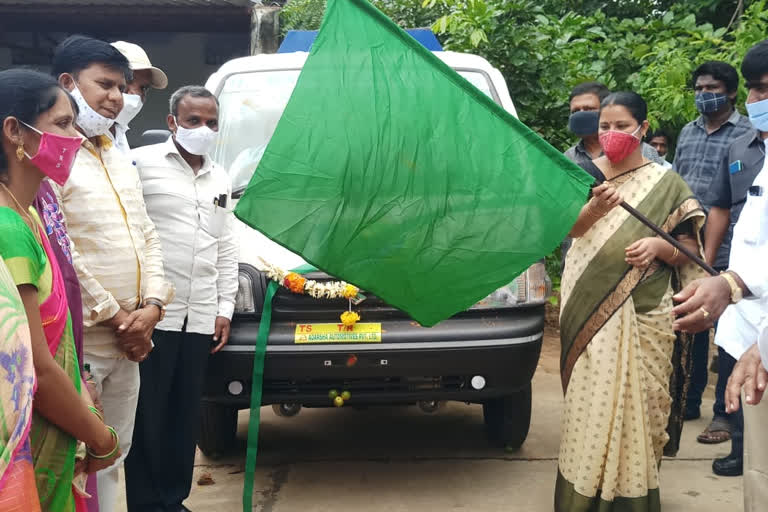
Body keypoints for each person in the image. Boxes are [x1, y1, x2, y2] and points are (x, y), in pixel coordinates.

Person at [555, 91, 706, 512]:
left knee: (640, 407)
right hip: (587, 306)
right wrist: (595, 209)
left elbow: (689, 251)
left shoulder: (666, 182)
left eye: (622, 126)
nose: (612, 134)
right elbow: (569, 231)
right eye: (605, 126)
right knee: (590, 410)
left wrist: (660, 246)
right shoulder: (580, 174)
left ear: (642, 127)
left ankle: (632, 498)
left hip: (646, 313)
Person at [50, 36, 174, 512]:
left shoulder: (117, 156)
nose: (116, 97)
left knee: (114, 453)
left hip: (134, 339)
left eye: (121, 87)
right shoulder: (53, 158)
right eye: (104, 85)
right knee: (76, 458)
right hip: (83, 340)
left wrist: (153, 308)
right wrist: (120, 318)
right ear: (68, 83)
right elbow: (62, 251)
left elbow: (148, 234)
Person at [0, 68, 121, 511]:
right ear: (15, 131)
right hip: (33, 440)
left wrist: (83, 386)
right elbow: (38, 369)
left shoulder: (29, 215)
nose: (76, 138)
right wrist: (102, 439)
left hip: (58, 427)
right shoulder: (8, 231)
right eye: (63, 124)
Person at [124, 86, 238, 512]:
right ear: (173, 122)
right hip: (155, 314)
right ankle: (146, 503)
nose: (203, 130)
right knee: (147, 415)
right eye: (194, 121)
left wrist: (224, 308)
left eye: (211, 123)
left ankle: (174, 499)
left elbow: (225, 245)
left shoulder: (220, 176)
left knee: (185, 415)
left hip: (200, 313)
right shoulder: (138, 163)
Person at [672, 39, 768, 512]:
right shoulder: (748, 148)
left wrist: (728, 282)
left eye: (763, 90)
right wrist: (718, 271)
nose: (759, 101)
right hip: (733, 286)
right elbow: (725, 209)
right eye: (757, 90)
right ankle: (736, 443)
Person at [671, 61, 754, 427]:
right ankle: (689, 401)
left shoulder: (750, 134)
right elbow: (675, 184)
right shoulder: (688, 132)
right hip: (688, 245)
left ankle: (725, 412)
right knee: (693, 322)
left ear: (732, 92)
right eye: (698, 89)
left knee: (732, 333)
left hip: (735, 250)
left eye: (711, 89)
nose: (703, 95)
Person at [564, 81, 664, 167]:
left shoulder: (644, 152)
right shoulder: (568, 158)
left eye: (588, 109)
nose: (581, 115)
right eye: (575, 111)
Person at [109, 41, 168, 154]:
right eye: (127, 81)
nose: (135, 94)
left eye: (143, 88)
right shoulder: (80, 134)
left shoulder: (119, 132)